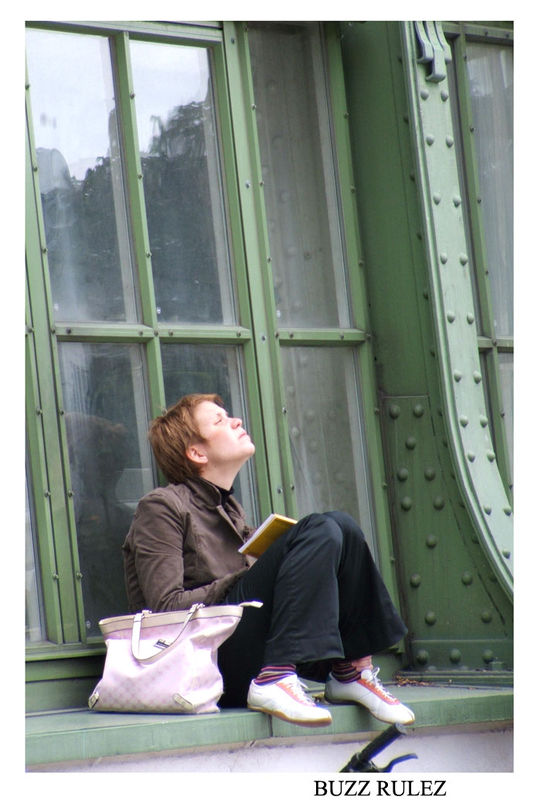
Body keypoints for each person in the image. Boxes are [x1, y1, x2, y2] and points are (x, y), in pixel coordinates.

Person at [122, 393, 415, 728]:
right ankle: (276, 675)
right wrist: (246, 574)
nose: (236, 421)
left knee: (341, 525)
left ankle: (351, 671)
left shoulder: (230, 510)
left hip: (241, 655)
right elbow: (164, 609)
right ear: (197, 453)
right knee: (318, 529)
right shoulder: (161, 507)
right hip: (203, 666)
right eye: (219, 421)